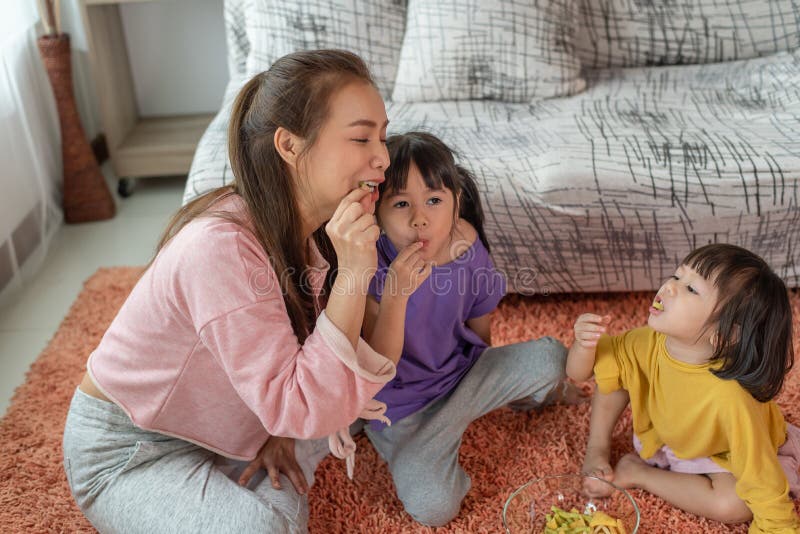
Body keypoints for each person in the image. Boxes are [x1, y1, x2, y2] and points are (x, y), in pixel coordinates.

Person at [62, 49, 398, 533]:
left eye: (383, 137)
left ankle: (279, 440)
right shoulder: (219, 250)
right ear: (289, 145)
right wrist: (353, 273)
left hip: (231, 429)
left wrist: (285, 424)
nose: (383, 157)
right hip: (131, 451)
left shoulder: (315, 228)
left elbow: (329, 359)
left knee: (339, 408)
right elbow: (314, 391)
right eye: (362, 137)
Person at [360, 131, 572, 526]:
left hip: (462, 378)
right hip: (401, 406)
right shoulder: (371, 264)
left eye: (434, 201)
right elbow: (374, 365)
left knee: (554, 357)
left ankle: (457, 418)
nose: (419, 218)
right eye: (401, 203)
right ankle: (438, 434)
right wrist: (397, 295)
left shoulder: (469, 247)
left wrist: (487, 382)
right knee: (433, 507)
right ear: (377, 212)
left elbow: (482, 333)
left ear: (456, 205)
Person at [567, 243, 800, 533]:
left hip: (722, 453)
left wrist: (778, 526)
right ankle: (597, 448)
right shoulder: (645, 342)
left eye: (692, 289)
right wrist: (583, 345)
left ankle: (638, 473)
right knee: (612, 368)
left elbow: (760, 475)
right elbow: (580, 372)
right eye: (677, 276)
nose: (669, 287)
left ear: (725, 334)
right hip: (668, 435)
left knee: (735, 505)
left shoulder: (733, 399)